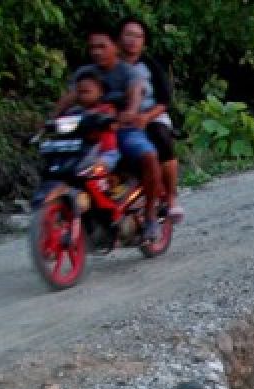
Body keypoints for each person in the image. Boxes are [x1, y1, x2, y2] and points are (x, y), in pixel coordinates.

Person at [55, 26, 163, 243]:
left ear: (115, 47)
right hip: (88, 133)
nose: (96, 52)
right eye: (93, 47)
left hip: (122, 130)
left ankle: (150, 216)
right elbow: (68, 99)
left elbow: (135, 93)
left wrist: (131, 111)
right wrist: (50, 121)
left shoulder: (128, 72)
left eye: (102, 46)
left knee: (149, 156)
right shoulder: (85, 74)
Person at [118, 16, 183, 223]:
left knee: (161, 139)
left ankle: (171, 197)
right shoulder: (110, 65)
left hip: (151, 115)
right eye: (128, 34)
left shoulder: (150, 66)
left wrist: (146, 117)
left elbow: (164, 100)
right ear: (119, 37)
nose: (133, 40)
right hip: (117, 121)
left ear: (144, 41)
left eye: (138, 36)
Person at [68, 68, 120, 172]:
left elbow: (113, 122)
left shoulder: (106, 108)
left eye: (86, 92)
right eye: (79, 92)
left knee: (94, 169)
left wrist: (104, 119)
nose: (82, 96)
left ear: (100, 92)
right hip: (80, 151)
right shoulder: (74, 111)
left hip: (104, 152)